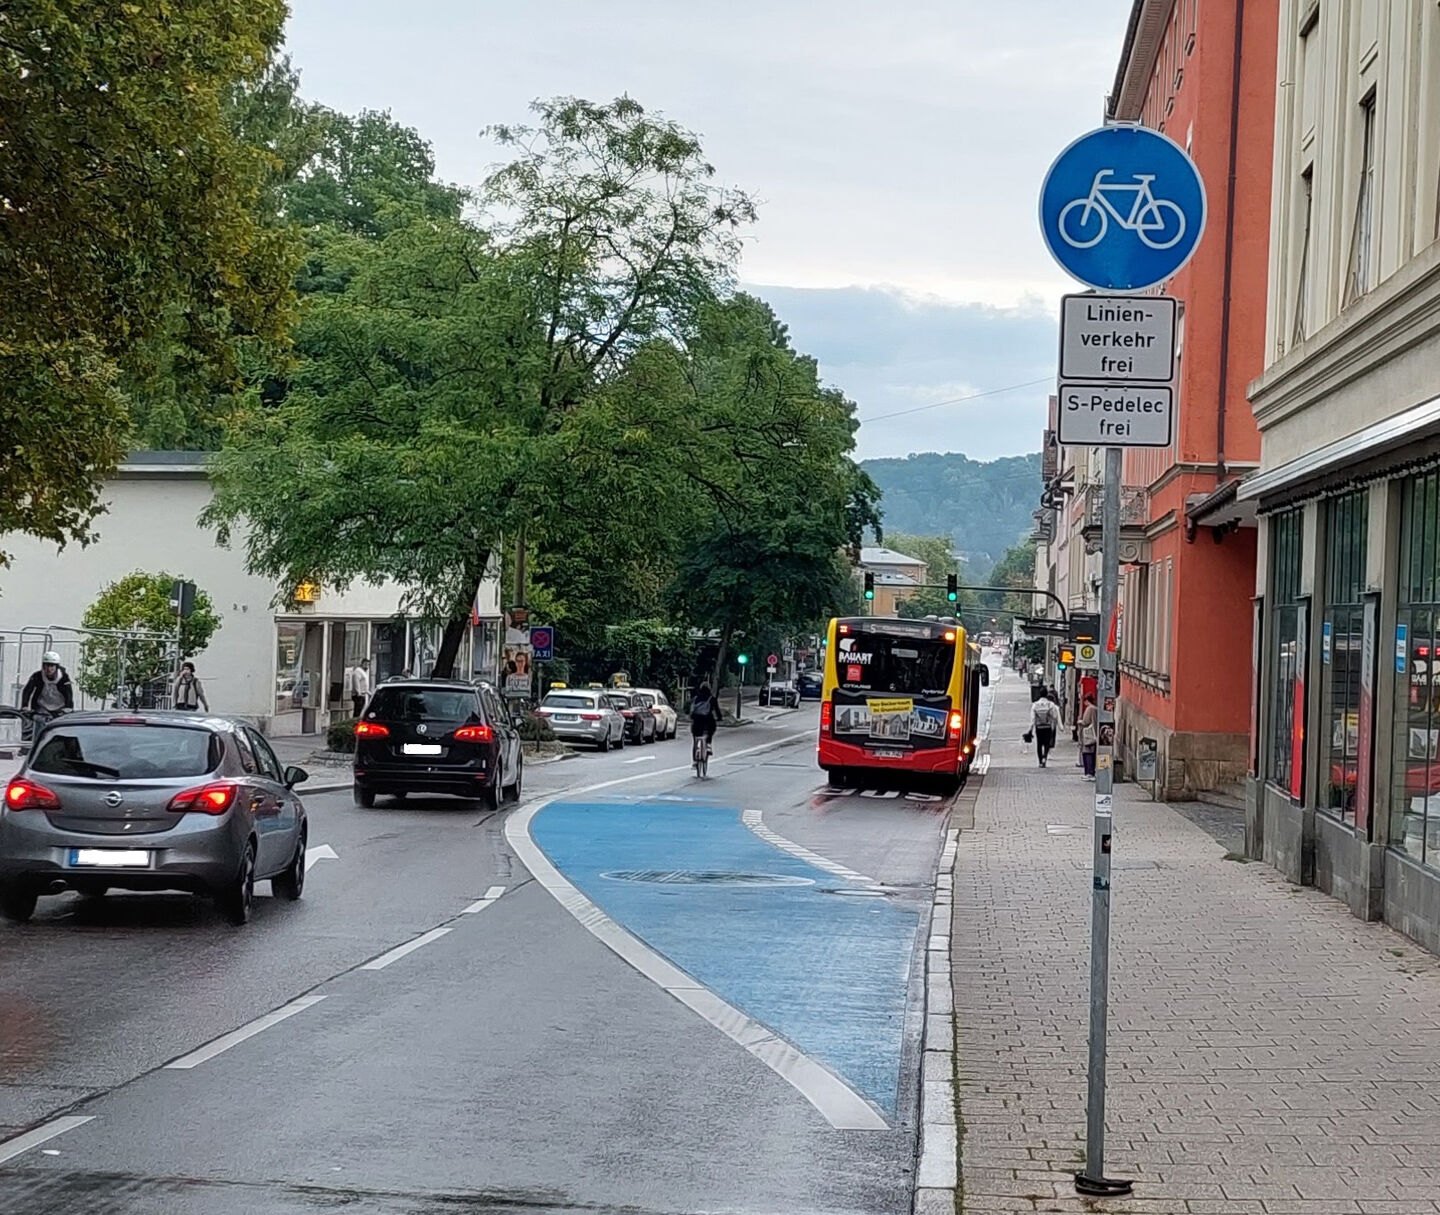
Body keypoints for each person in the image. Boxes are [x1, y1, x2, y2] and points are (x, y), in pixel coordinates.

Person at [21, 651, 73, 720]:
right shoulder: (37, 676)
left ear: (56, 667)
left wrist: (68, 707)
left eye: (52, 666)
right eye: (47, 666)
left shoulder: (64, 677)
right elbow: (28, 690)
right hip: (42, 708)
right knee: (38, 720)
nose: (49, 669)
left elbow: (68, 692)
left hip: (60, 709)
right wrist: (25, 705)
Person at [689, 682, 722, 759]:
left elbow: (691, 710)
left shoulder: (695, 698)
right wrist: (719, 717)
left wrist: (691, 716)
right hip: (707, 720)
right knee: (711, 729)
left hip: (696, 720)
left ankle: (695, 760)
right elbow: (717, 710)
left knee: (695, 737)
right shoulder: (711, 699)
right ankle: (708, 745)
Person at [1030, 687, 1060, 768]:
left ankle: (1040, 761)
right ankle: (1044, 758)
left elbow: (1033, 719)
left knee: (1039, 744)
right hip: (1048, 726)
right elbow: (1054, 716)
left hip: (1039, 727)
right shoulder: (1050, 704)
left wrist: (1031, 729)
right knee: (1047, 743)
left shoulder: (1035, 705)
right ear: (1047, 694)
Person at [1079, 694, 1098, 779]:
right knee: (1092, 754)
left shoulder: (1090, 709)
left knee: (1087, 753)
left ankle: (1089, 773)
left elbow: (1085, 721)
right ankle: (1091, 772)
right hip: (1094, 734)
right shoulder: (1095, 708)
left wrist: (1080, 722)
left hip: (1088, 735)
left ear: (1087, 701)